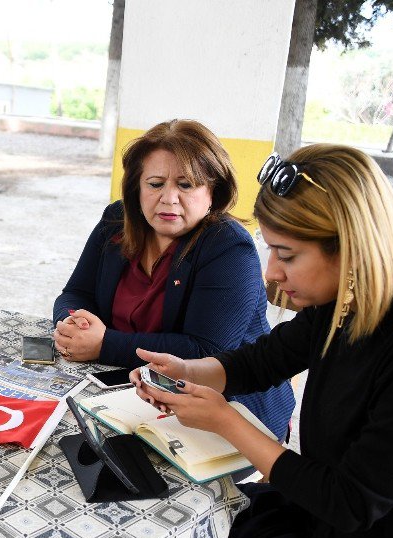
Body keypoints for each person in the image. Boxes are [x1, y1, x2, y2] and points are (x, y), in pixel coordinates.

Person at [138, 145, 393, 538]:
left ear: (352, 249)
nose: (270, 272)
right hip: (326, 525)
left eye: (287, 254)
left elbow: (351, 502)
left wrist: (228, 421)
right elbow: (258, 362)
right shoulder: (346, 302)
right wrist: (185, 372)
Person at [53, 119, 294, 439]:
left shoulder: (229, 247)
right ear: (136, 187)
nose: (168, 198)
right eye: (155, 184)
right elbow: (76, 292)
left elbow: (205, 350)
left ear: (213, 192)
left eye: (186, 185)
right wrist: (71, 325)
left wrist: (103, 344)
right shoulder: (116, 220)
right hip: (135, 392)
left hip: (231, 413)